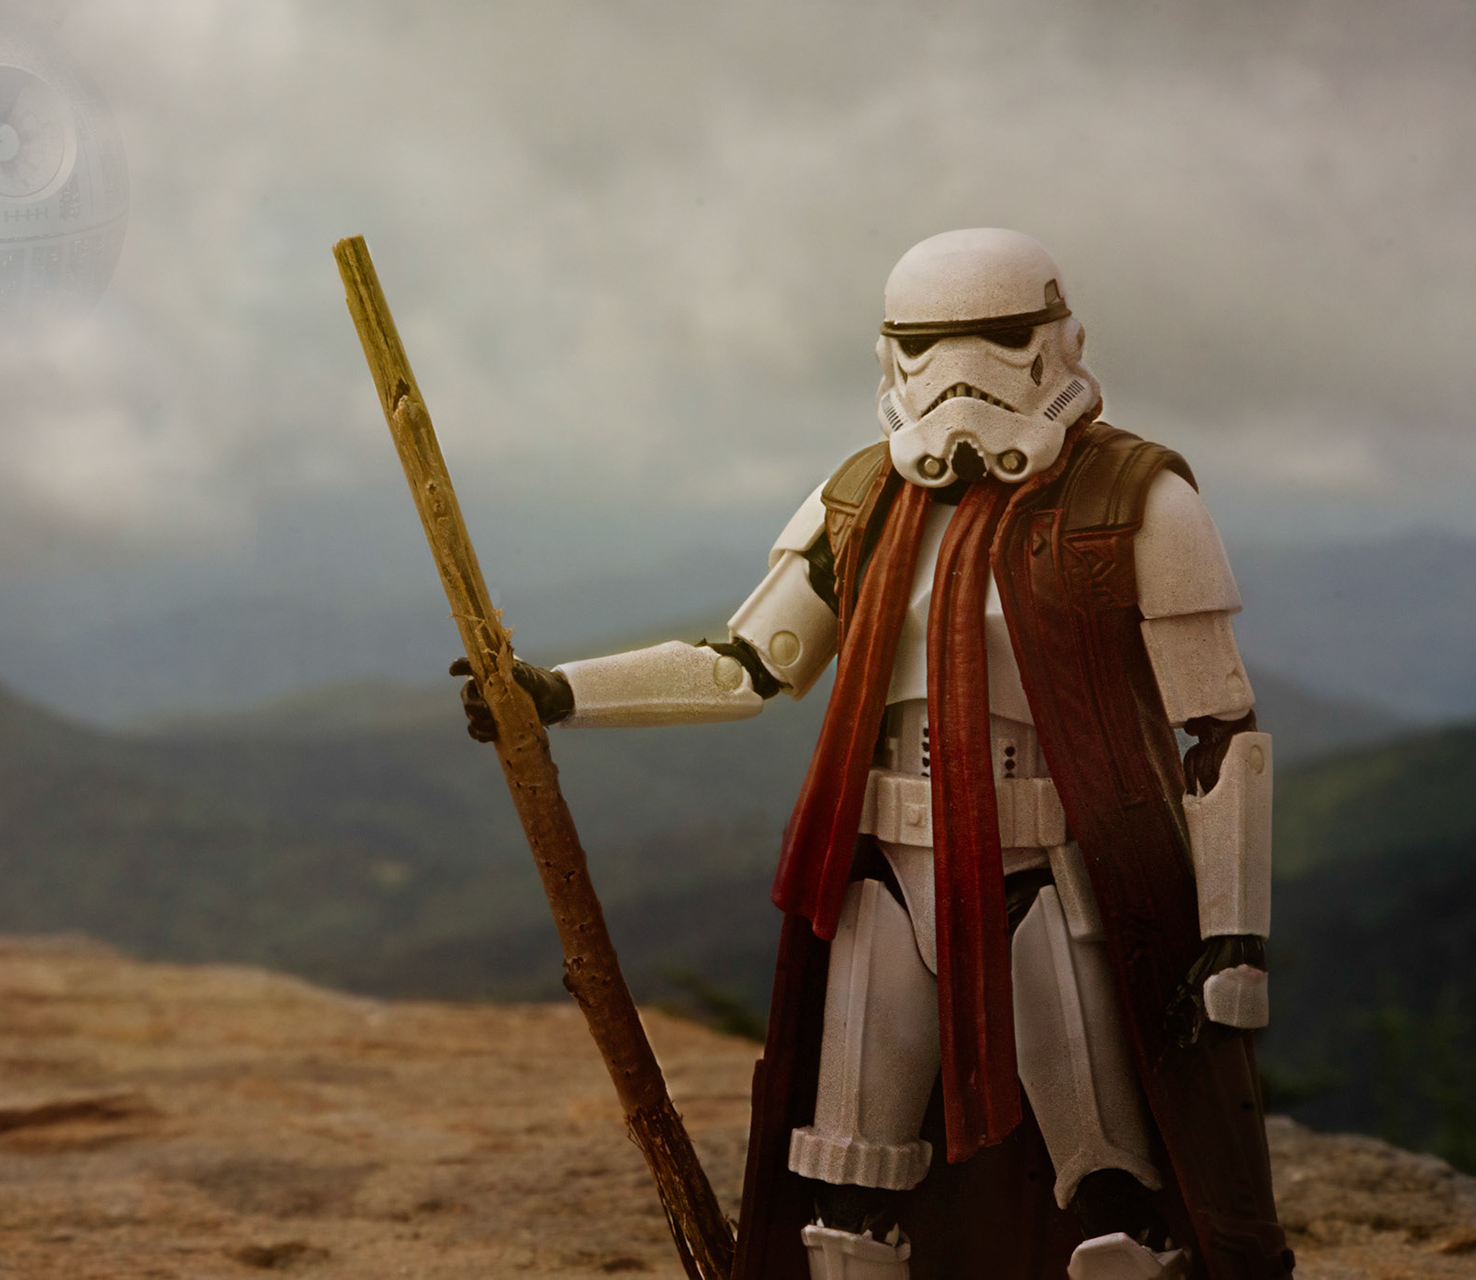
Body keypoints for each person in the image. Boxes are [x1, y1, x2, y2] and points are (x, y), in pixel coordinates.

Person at [455, 229, 1291, 1280]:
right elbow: (743, 665)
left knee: (1112, 1195)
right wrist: (557, 694)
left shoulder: (1138, 500)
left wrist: (1234, 933)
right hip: (886, 875)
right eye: (930, 344)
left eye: (993, 339)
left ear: (1055, 341)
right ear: (890, 353)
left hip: (1059, 877)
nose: (959, 376)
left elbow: (1217, 729)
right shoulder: (860, 502)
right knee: (848, 1190)